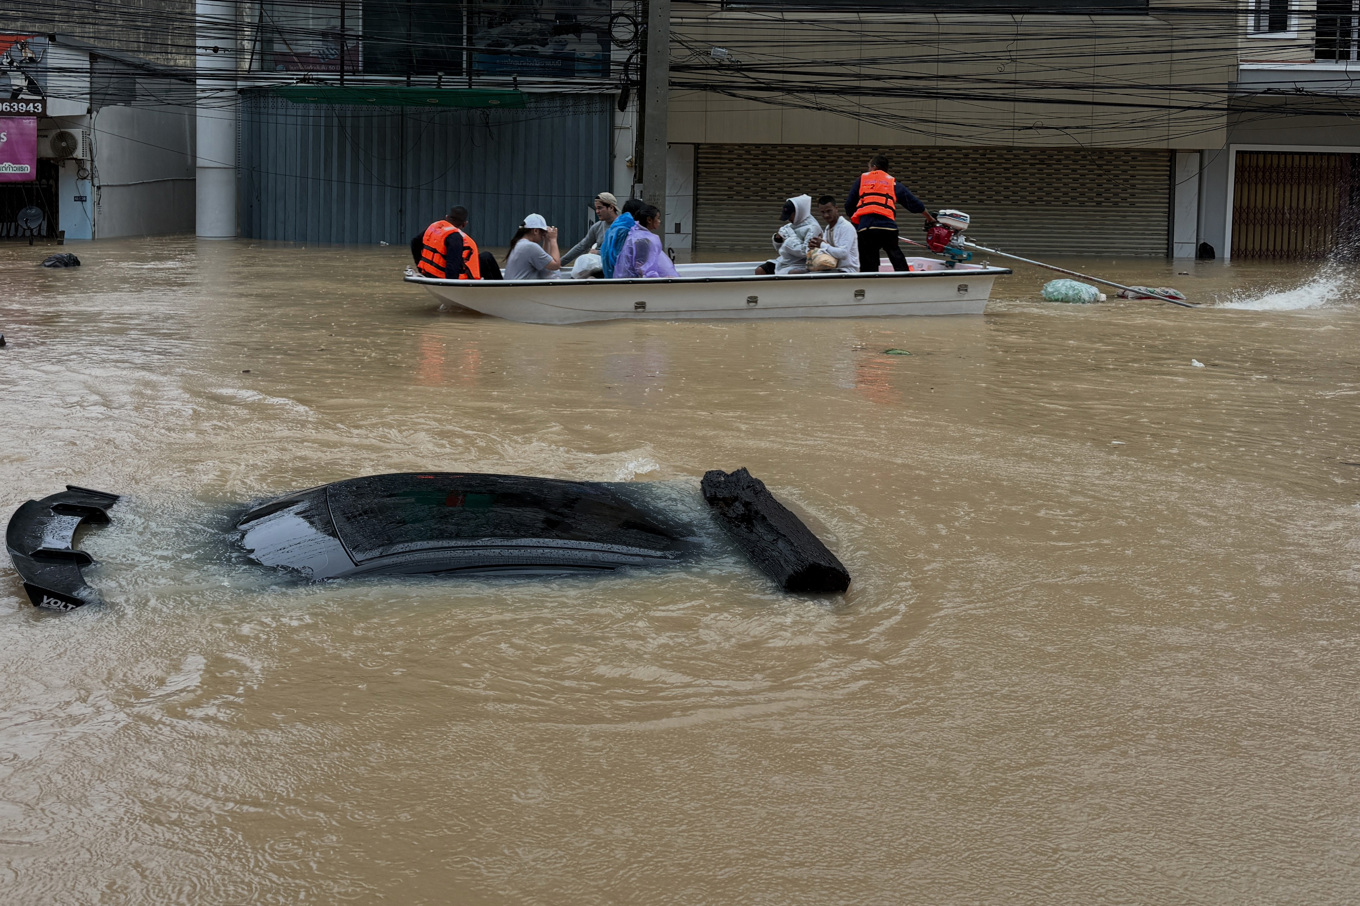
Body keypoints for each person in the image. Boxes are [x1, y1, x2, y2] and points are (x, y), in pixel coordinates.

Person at [845, 154, 936, 273]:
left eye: (869, 167)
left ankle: (870, 284)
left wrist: (858, 221)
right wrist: (929, 217)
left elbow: (849, 205)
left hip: (866, 228)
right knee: (895, 254)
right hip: (887, 227)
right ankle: (905, 280)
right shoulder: (891, 183)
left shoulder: (862, 180)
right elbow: (913, 203)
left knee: (868, 262)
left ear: (873, 167)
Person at [411, 205, 501, 280]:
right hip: (446, 279)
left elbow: (414, 242)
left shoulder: (434, 228)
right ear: (464, 224)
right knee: (486, 257)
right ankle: (501, 289)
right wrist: (451, 285)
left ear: (447, 217)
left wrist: (420, 267)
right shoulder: (455, 238)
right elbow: (452, 267)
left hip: (429, 274)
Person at [754, 194, 821, 275]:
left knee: (793, 273)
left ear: (798, 212)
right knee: (760, 270)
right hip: (784, 261)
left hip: (802, 264)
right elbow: (780, 248)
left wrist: (789, 238)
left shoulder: (813, 228)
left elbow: (805, 252)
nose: (789, 219)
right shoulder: (790, 225)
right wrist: (777, 240)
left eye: (790, 216)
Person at [614, 204, 680, 278]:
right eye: (658, 218)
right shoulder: (644, 239)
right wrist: (659, 279)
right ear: (649, 220)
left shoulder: (636, 234)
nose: (659, 221)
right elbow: (643, 268)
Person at [562, 192, 619, 265]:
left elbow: (624, 252)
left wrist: (598, 253)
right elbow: (582, 246)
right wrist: (560, 263)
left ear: (611, 207)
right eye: (596, 209)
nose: (597, 212)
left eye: (600, 208)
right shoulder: (597, 227)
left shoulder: (623, 227)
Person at [808, 195, 860, 273]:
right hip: (833, 269)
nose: (826, 215)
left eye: (829, 211)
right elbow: (826, 250)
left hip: (847, 270)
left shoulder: (846, 226)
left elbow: (843, 253)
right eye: (822, 212)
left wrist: (821, 244)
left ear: (836, 209)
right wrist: (815, 246)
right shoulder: (827, 228)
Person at [503, 213, 561, 280]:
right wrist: (553, 240)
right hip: (521, 288)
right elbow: (556, 265)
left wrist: (547, 240)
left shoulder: (519, 243)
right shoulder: (530, 246)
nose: (542, 237)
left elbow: (544, 261)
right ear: (535, 231)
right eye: (542, 234)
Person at [600, 198, 645, 278]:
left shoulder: (614, 228)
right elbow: (624, 258)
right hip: (623, 279)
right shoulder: (627, 230)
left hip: (610, 277)